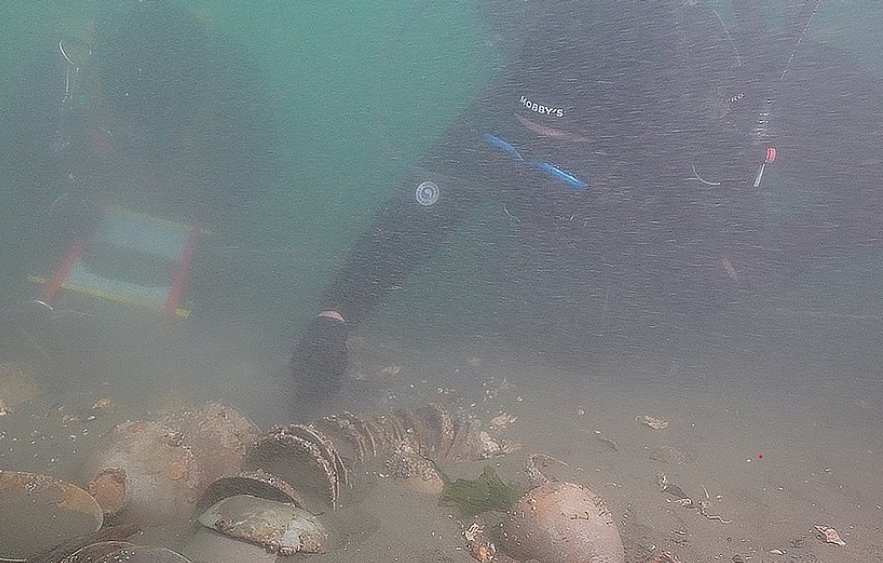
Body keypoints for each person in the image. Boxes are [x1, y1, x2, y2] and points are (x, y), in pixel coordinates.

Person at [290, 0, 883, 399]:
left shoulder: (701, 125)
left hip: (699, 201)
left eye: (564, 149)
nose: (536, 160)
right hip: (623, 232)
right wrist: (335, 317)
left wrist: (759, 260)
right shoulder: (511, 108)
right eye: (527, 138)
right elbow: (416, 213)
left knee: (702, 278)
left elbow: (863, 201)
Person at [7, 1, 274, 249]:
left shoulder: (231, 84)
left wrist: (217, 230)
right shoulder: (67, 66)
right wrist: (53, 201)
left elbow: (251, 171)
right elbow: (18, 146)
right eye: (119, 133)